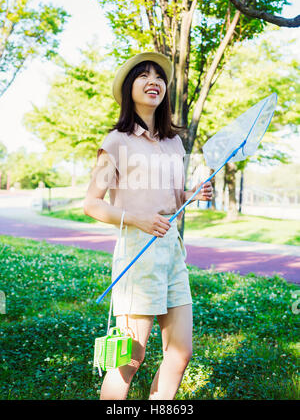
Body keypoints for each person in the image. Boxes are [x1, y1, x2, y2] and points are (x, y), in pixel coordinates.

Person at [83, 52, 213, 400]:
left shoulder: (174, 143)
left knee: (180, 353)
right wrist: (136, 219)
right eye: (143, 75)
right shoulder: (116, 142)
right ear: (129, 88)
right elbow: (91, 203)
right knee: (128, 360)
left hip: (172, 255)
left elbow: (170, 198)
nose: (153, 80)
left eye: (159, 76)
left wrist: (192, 193)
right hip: (137, 257)